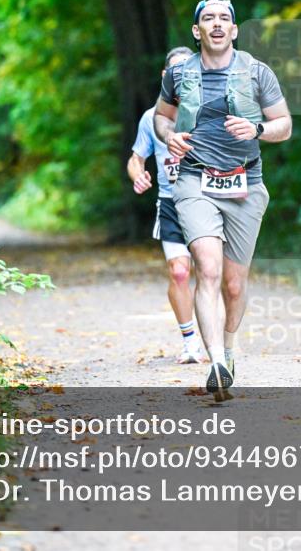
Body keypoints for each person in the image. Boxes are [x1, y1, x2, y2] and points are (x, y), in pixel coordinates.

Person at [154, 0, 292, 400]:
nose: (217, 24)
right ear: (197, 32)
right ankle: (214, 360)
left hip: (245, 183)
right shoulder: (178, 74)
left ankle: (229, 351)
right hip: (194, 180)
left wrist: (258, 131)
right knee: (208, 270)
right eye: (208, 19)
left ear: (233, 30)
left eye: (224, 19)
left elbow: (283, 124)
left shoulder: (257, 72)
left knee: (234, 284)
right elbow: (162, 117)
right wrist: (170, 136)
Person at [127, 46, 207, 365]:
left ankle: (215, 334)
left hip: (208, 202)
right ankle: (190, 343)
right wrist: (138, 176)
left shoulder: (210, 111)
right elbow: (136, 158)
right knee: (178, 272)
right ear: (166, 77)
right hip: (171, 202)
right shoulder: (152, 118)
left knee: (212, 274)